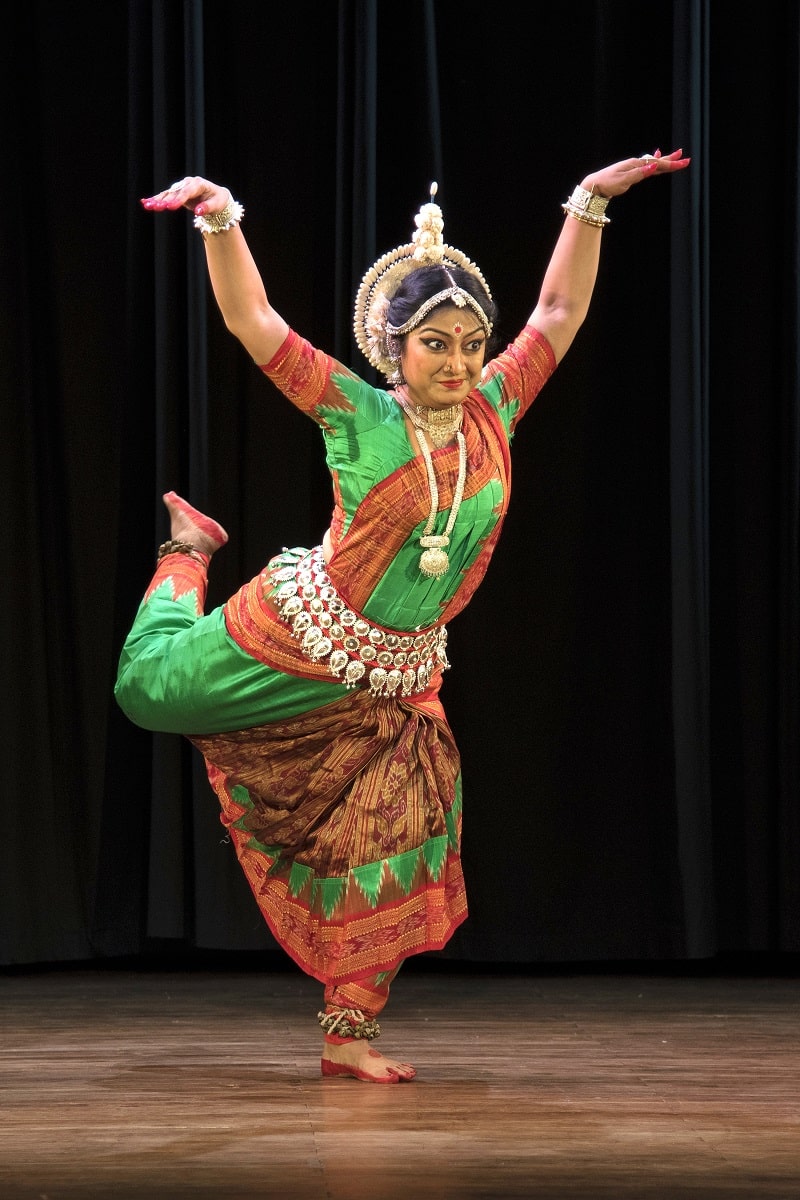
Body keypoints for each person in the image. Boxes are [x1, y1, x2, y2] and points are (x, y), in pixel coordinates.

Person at [115, 148, 691, 1083]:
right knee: (145, 691)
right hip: (300, 636)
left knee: (403, 831)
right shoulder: (354, 412)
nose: (462, 363)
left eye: (470, 344)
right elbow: (251, 320)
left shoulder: (496, 407)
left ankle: (350, 1032)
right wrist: (222, 216)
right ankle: (188, 552)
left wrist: (588, 200)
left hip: (402, 672)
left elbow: (557, 313)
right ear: (395, 348)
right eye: (437, 345)